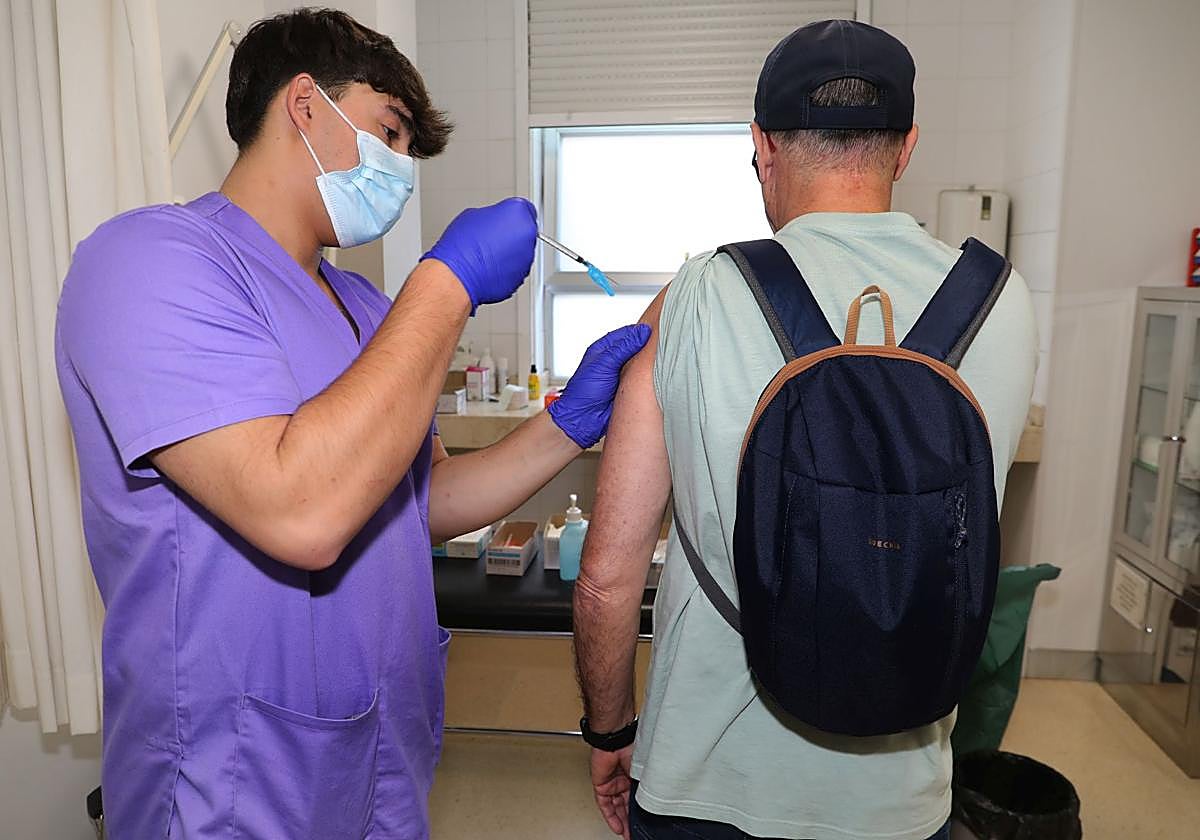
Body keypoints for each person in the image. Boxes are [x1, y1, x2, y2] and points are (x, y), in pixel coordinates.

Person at [55, 9, 647, 839]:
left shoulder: (367, 307)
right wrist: (447, 283)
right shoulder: (147, 263)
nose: (401, 169)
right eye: (391, 132)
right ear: (304, 104)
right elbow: (301, 511)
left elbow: (420, 501)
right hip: (233, 775)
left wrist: (567, 424)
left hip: (380, 754)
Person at [573, 19, 1037, 840]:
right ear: (906, 147)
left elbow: (608, 579)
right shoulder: (1003, 302)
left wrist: (609, 731)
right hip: (899, 798)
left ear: (762, 144)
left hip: (704, 781)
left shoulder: (700, 294)